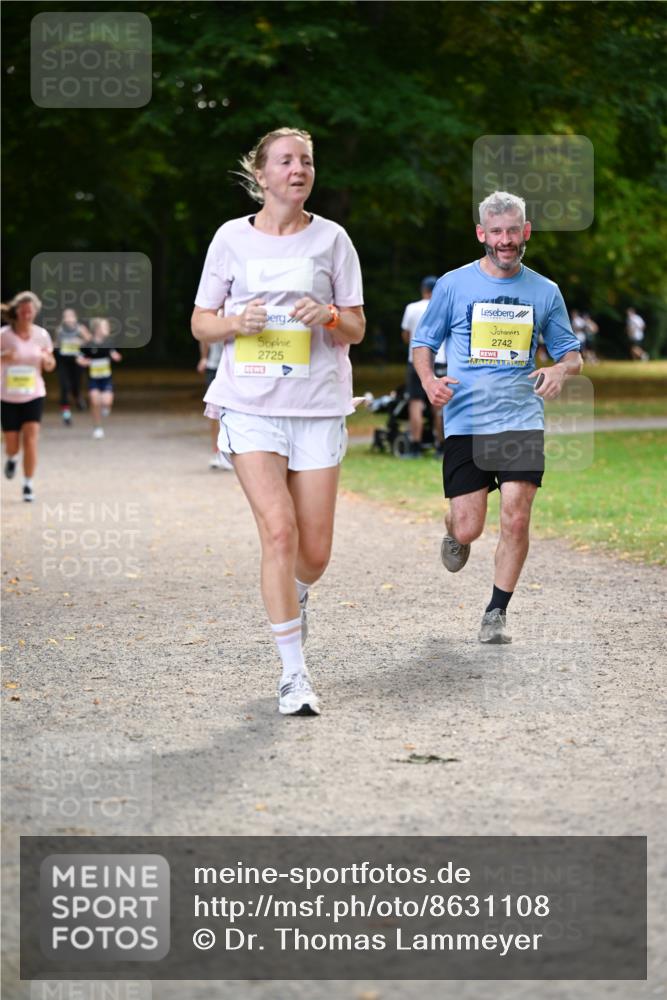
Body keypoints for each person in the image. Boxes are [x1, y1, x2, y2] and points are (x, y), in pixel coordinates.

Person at [191, 127, 365, 716]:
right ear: (261, 174)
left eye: (307, 161)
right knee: (279, 532)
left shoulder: (333, 240)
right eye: (286, 161)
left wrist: (332, 315)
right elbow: (200, 323)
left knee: (313, 554)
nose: (298, 169)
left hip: (317, 406)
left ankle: (296, 594)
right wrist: (235, 325)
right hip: (250, 406)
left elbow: (359, 327)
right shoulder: (230, 239)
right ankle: (294, 675)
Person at [412, 191, 582, 644]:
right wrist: (430, 381)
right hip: (466, 420)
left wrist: (559, 370)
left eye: (513, 231)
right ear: (481, 233)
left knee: (517, 516)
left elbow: (572, 355)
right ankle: (454, 532)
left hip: (520, 418)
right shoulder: (453, 284)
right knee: (469, 525)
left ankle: (496, 612)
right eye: (496, 231)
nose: (505, 240)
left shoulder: (545, 292)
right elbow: (423, 344)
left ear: (525, 232)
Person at [1, 291, 55, 501]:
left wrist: (47, 360)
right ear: (17, 312)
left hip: (34, 393)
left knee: (31, 438)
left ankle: (28, 484)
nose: (26, 315)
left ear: (35, 313)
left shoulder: (41, 335)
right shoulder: (4, 335)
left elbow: (50, 364)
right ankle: (12, 457)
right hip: (7, 395)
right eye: (23, 311)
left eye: (30, 311)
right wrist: (4, 356)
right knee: (13, 443)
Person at [400, 276, 441, 456]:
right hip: (441, 359)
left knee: (415, 403)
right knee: (439, 404)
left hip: (416, 360)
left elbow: (406, 335)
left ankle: (415, 446)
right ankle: (441, 445)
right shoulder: (443, 308)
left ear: (423, 289)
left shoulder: (412, 308)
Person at [77, 317, 122, 438]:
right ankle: (97, 427)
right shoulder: (88, 344)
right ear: (97, 329)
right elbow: (79, 357)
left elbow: (113, 353)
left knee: (106, 401)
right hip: (93, 379)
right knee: (94, 400)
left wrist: (116, 356)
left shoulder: (109, 343)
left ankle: (106, 407)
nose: (108, 329)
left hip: (106, 378)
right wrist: (82, 361)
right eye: (105, 327)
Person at [196, 338, 233, 470]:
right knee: (214, 412)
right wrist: (204, 358)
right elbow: (204, 336)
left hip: (235, 367)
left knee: (233, 410)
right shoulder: (211, 317)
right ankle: (218, 451)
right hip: (214, 366)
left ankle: (232, 452)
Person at [53, 308, 90, 424]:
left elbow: (90, 340)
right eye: (66, 317)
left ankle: (78, 397)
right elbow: (56, 344)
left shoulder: (80, 329)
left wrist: (80, 342)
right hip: (64, 362)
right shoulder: (59, 330)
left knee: (76, 386)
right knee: (64, 387)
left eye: (71, 316)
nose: (68, 319)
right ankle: (66, 414)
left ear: (75, 318)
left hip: (77, 362)